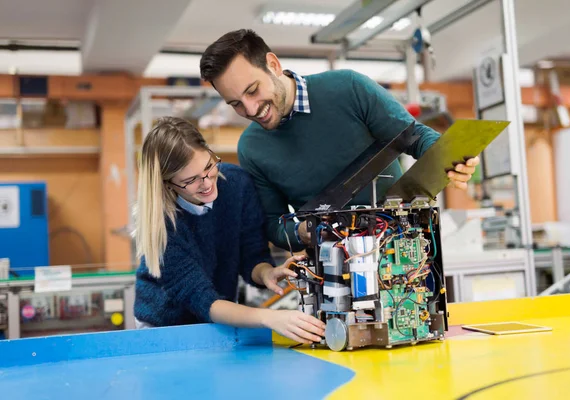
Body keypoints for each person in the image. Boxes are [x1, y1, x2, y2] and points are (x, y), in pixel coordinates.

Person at [199, 29, 480, 252]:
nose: (250, 109)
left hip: (401, 251)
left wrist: (450, 158)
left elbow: (417, 137)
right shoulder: (251, 148)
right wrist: (301, 233)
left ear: (272, 65)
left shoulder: (348, 88)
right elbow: (274, 227)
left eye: (253, 90)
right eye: (236, 103)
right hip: (332, 271)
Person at [133, 116, 325, 344]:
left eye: (208, 166)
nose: (206, 183)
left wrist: (266, 273)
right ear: (168, 184)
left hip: (218, 319)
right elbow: (205, 302)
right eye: (191, 180)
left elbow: (252, 256)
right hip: (164, 328)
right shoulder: (163, 227)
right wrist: (270, 318)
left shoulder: (237, 184)